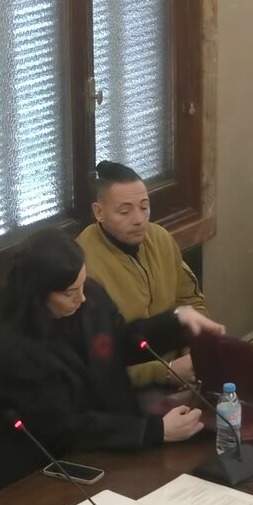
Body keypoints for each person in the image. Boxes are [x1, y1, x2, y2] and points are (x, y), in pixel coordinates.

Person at [0, 229, 224, 490]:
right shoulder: (18, 351)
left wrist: (176, 322)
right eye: (69, 293)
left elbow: (116, 342)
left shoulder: (87, 297)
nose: (82, 298)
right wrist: (156, 430)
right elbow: (66, 428)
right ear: (38, 295)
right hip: (53, 467)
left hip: (113, 437)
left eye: (82, 284)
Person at [77, 160, 209, 389]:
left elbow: (190, 300)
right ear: (99, 212)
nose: (138, 219)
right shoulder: (84, 264)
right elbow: (96, 358)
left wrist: (194, 347)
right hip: (126, 388)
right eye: (125, 211)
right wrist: (164, 372)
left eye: (144, 207)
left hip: (182, 369)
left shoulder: (160, 238)